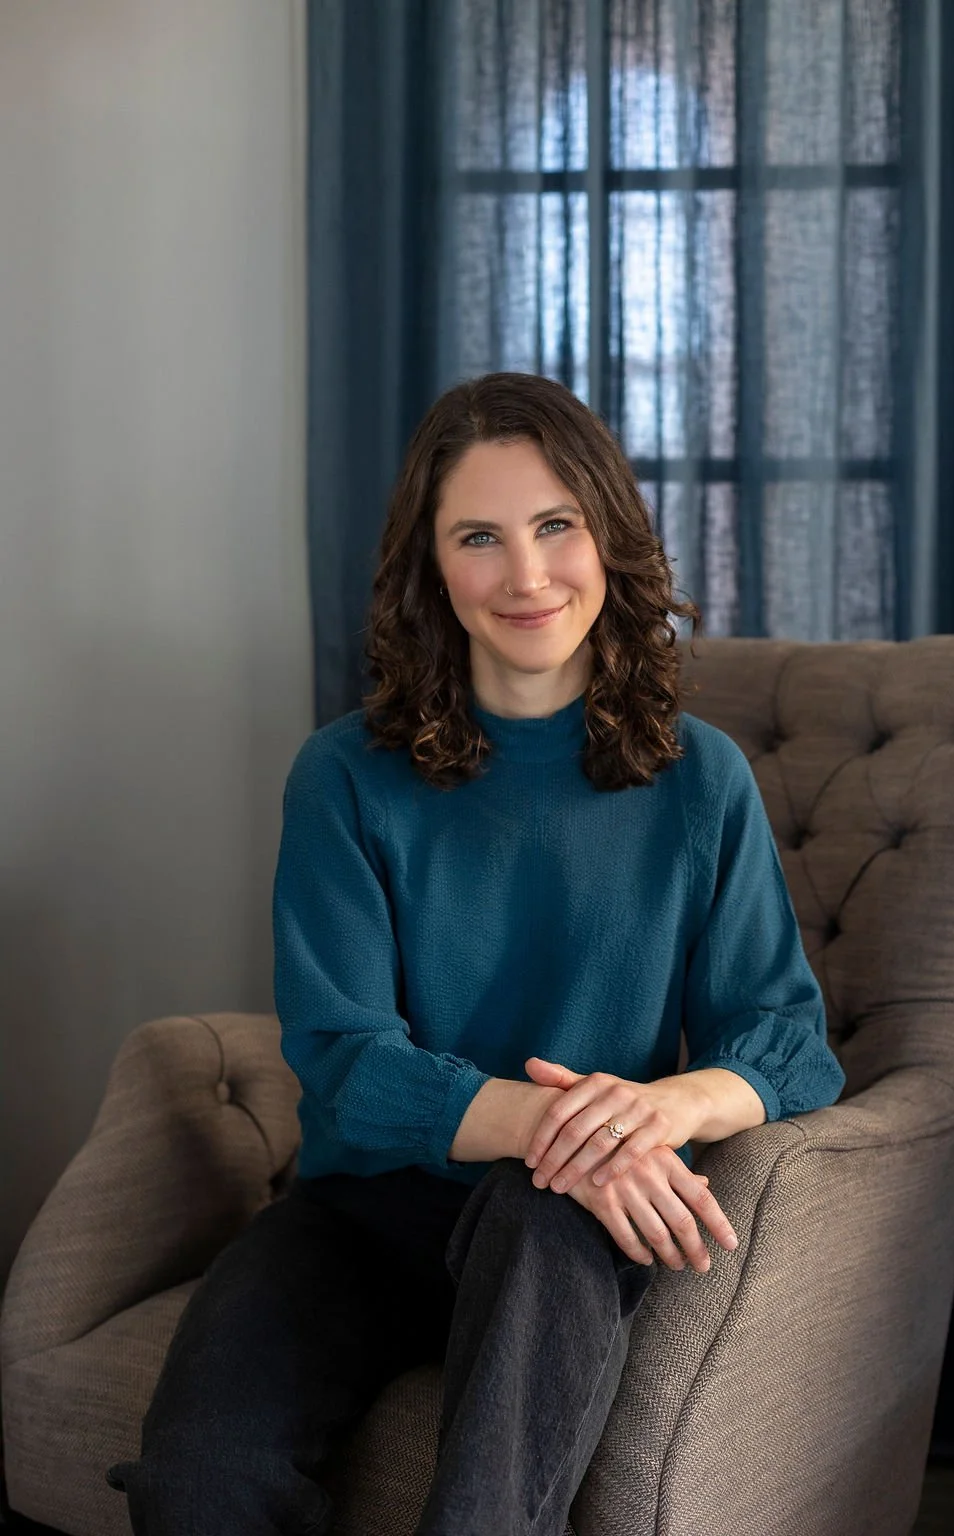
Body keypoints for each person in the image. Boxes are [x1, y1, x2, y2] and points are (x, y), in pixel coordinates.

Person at [106, 371, 846, 1535]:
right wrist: (571, 1126)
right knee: (198, 1480)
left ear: (608, 535)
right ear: (432, 568)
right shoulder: (344, 776)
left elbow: (788, 1040)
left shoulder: (700, 780)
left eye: (556, 525)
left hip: (562, 1221)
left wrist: (659, 1112)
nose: (527, 575)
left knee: (494, 1481)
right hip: (359, 1217)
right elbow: (344, 1057)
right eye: (480, 538)